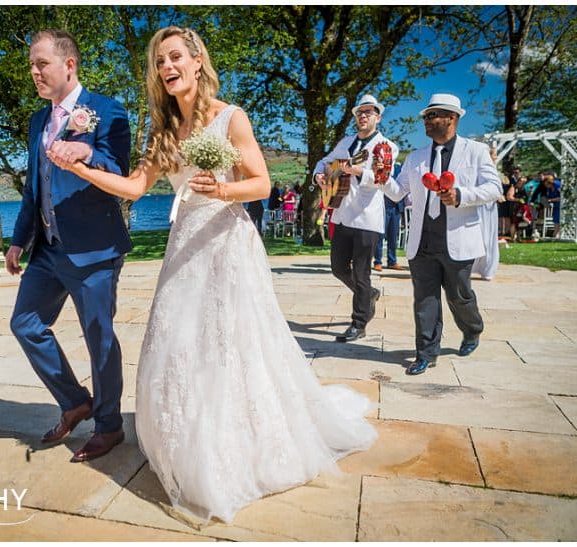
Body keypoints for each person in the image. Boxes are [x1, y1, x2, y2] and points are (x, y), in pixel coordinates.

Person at [48, 26, 376, 524]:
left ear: (197, 61)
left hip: (227, 242)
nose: (167, 68)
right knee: (179, 340)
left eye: (175, 57)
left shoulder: (230, 117)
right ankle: (187, 439)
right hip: (185, 246)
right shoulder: (161, 130)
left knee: (234, 342)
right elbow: (135, 187)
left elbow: (261, 183)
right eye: (160, 62)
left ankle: (241, 441)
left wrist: (220, 191)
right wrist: (81, 171)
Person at [7, 29, 132, 463]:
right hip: (48, 250)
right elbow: (33, 189)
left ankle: (109, 425)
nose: (35, 72)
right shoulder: (37, 121)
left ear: (69, 65)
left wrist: (87, 154)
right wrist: (18, 241)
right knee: (24, 323)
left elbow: (120, 170)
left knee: (99, 338)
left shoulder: (107, 110)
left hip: (94, 249)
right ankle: (77, 401)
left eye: (41, 64)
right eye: (31, 66)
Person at [381, 93, 501, 375]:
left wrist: (462, 195)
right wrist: (382, 177)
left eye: (434, 115)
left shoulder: (476, 151)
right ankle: (426, 352)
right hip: (422, 241)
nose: (427, 120)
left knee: (459, 296)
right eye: (426, 116)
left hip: (458, 238)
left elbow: (494, 188)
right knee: (424, 299)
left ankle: (472, 329)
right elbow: (399, 193)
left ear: (452, 118)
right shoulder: (416, 157)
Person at [313, 94, 399, 342]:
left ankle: (359, 322)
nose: (363, 116)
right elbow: (324, 161)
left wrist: (361, 171)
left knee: (361, 273)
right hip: (341, 214)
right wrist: (319, 175)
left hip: (366, 219)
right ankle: (369, 294)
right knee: (338, 268)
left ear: (378, 117)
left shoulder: (386, 147)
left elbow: (384, 180)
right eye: (360, 113)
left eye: (369, 112)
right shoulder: (345, 142)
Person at [471, 147, 503, 280]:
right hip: (480, 206)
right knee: (481, 236)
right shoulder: (479, 168)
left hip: (491, 208)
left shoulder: (494, 170)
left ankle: (488, 268)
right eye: (494, 155)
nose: (495, 157)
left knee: (490, 236)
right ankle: (475, 266)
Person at [373, 163, 405, 271]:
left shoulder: (399, 169)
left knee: (393, 236)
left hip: (396, 207)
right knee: (380, 235)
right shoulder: (379, 168)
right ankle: (378, 261)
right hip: (383, 206)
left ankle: (392, 261)